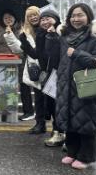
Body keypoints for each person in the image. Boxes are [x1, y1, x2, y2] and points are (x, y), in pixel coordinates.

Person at [45, 3, 96, 170]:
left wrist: (77, 54)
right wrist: (51, 38)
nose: (76, 19)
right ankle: (72, 152)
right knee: (69, 119)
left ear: (88, 16)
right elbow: (53, 56)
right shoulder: (64, 36)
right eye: (73, 16)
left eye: (80, 15)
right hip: (66, 85)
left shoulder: (95, 36)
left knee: (86, 121)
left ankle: (86, 157)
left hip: (86, 85)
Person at [20, 9, 65, 147]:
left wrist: (54, 36)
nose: (45, 22)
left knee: (60, 105)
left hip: (60, 74)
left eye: (48, 19)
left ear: (56, 19)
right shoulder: (40, 34)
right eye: (43, 19)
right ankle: (57, 132)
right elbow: (37, 55)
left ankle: (61, 133)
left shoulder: (62, 32)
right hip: (48, 75)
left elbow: (61, 52)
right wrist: (24, 42)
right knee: (51, 105)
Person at [3, 6, 43, 127]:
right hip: (33, 66)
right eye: (30, 16)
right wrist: (10, 36)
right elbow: (19, 49)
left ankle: (55, 127)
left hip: (47, 66)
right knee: (38, 96)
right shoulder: (25, 31)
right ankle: (39, 124)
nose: (33, 17)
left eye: (35, 15)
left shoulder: (47, 28)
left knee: (47, 97)